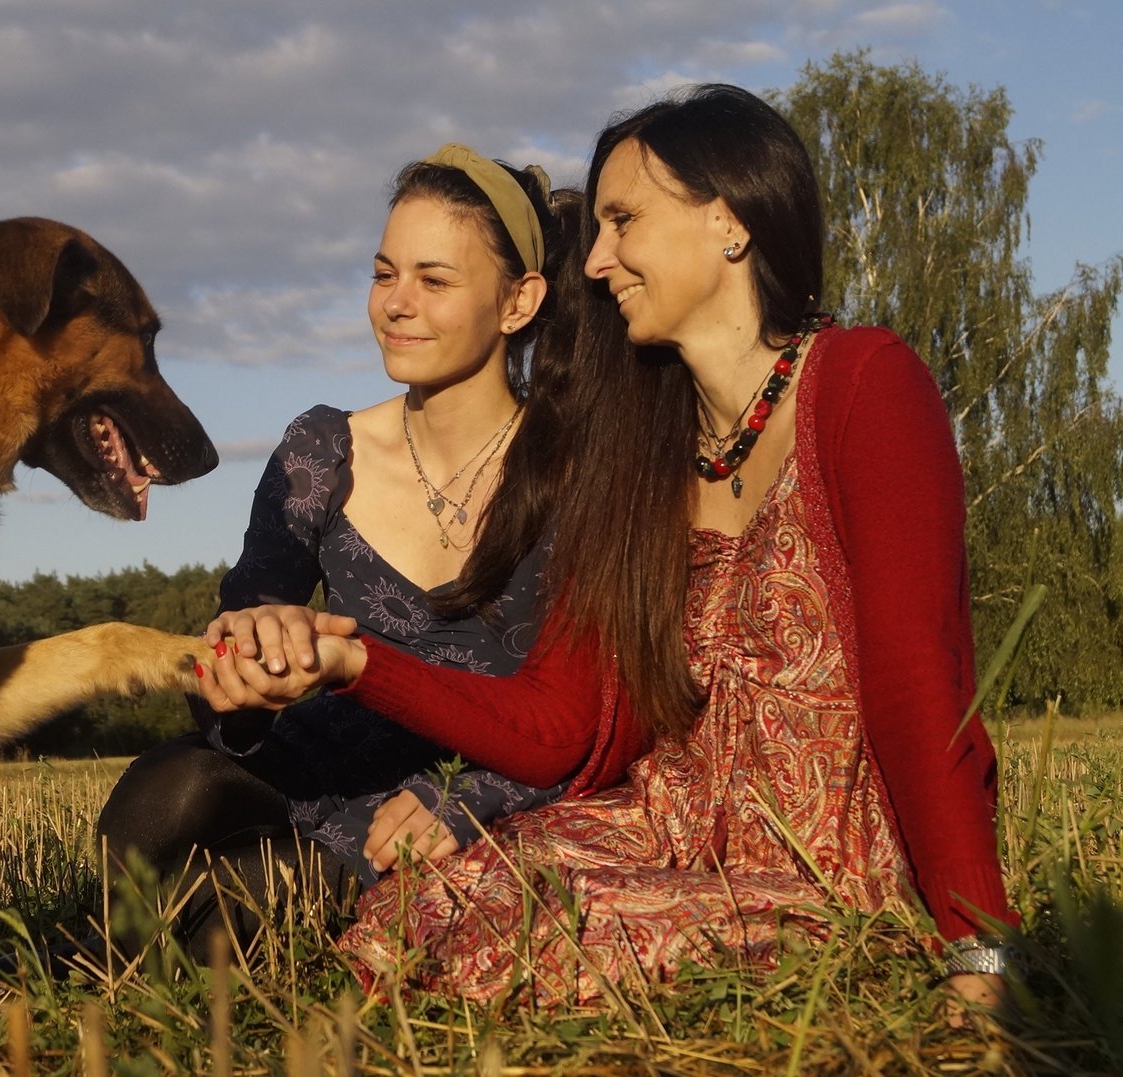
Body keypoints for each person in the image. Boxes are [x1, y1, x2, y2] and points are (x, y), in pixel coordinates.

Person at [194, 84, 1013, 1008]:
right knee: (427, 913)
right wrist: (352, 658)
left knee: (561, 950)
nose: (598, 256)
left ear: (728, 222)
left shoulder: (864, 382)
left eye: (625, 219)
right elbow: (554, 724)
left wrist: (978, 952)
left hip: (815, 850)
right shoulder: (638, 458)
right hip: (655, 826)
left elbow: (918, 677)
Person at [95, 145, 593, 953]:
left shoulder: (579, 467)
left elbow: (593, 705)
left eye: (433, 281)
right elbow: (226, 663)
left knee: (237, 907)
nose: (396, 304)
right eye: (382, 273)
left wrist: (475, 800)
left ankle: (130, 955)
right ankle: (114, 950)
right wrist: (245, 672)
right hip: (332, 753)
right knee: (163, 794)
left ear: (518, 301)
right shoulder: (321, 449)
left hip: (465, 783)